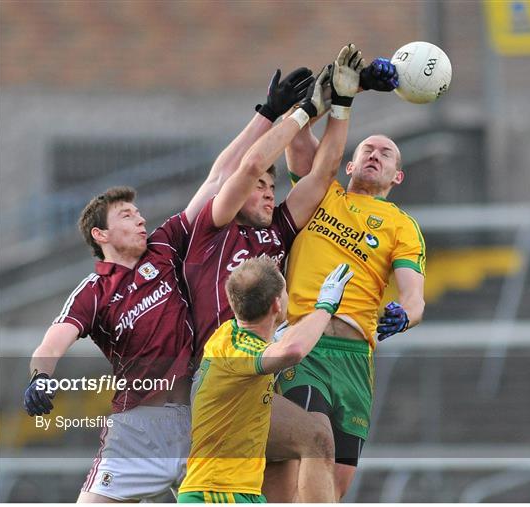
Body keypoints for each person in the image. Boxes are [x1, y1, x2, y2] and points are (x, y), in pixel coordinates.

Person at [22, 66, 314, 503]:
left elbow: (218, 178)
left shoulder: (166, 245)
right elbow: (56, 335)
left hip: (198, 416)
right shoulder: (95, 289)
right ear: (100, 236)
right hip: (138, 429)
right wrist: (40, 376)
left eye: (138, 213)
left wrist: (268, 113)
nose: (140, 219)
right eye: (125, 216)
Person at [183, 44, 398, 502]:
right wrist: (302, 112)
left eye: (271, 186)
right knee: (315, 436)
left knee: (278, 476)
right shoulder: (213, 226)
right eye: (258, 186)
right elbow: (247, 164)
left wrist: (341, 102)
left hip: (260, 370)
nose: (266, 191)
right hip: (222, 366)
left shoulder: (277, 232)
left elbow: (321, 177)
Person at [276, 73, 426, 499]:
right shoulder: (323, 193)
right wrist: (308, 102)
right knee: (312, 437)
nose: (376, 155)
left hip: (357, 359)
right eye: (368, 149)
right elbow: (300, 143)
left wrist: (404, 317)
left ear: (398, 176)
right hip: (306, 343)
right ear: (349, 165)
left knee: (332, 489)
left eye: (387, 153)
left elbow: (414, 300)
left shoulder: (402, 226)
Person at [178, 257, 353, 503]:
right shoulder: (240, 351)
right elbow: (291, 352)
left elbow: (277, 344)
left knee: (299, 448)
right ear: (276, 305)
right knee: (317, 439)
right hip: (215, 494)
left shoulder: (229, 334)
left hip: (242, 494)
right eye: (284, 291)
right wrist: (325, 307)